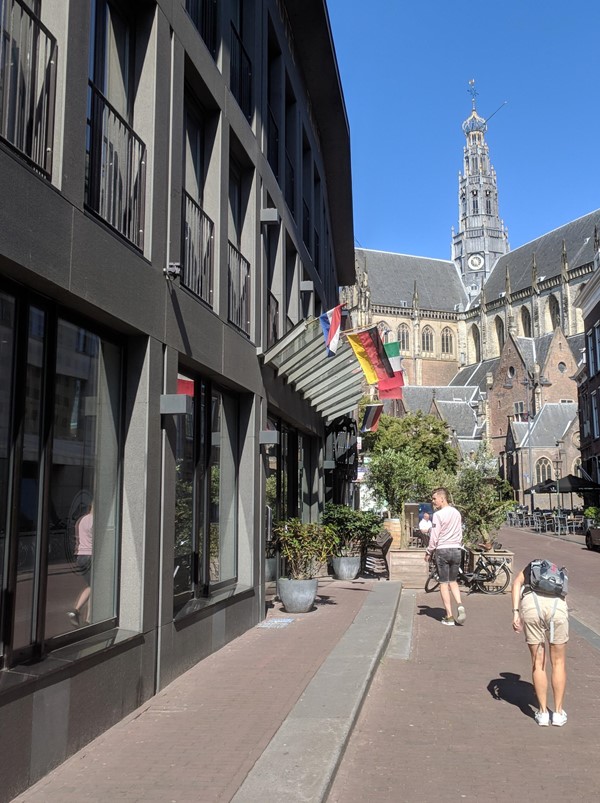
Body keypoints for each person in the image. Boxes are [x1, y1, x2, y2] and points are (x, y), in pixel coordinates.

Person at [512, 561, 568, 726]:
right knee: (558, 662)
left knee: (538, 663)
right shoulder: (559, 573)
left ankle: (543, 713)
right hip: (557, 608)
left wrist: (516, 613)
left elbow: (516, 583)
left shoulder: (531, 566)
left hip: (532, 606)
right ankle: (558, 713)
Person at [423, 488, 466, 626]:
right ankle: (460, 604)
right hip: (456, 549)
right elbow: (460, 531)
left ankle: (449, 616)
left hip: (443, 549)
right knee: (453, 581)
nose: (433, 501)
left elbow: (434, 536)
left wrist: (429, 551)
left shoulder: (438, 515)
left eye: (434, 498)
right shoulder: (457, 513)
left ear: (442, 498)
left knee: (443, 583)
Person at [68, 503, 93, 627]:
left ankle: (88, 618)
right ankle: (77, 610)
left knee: (92, 586)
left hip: (81, 556)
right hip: (91, 555)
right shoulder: (95, 520)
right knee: (94, 587)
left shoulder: (82, 520)